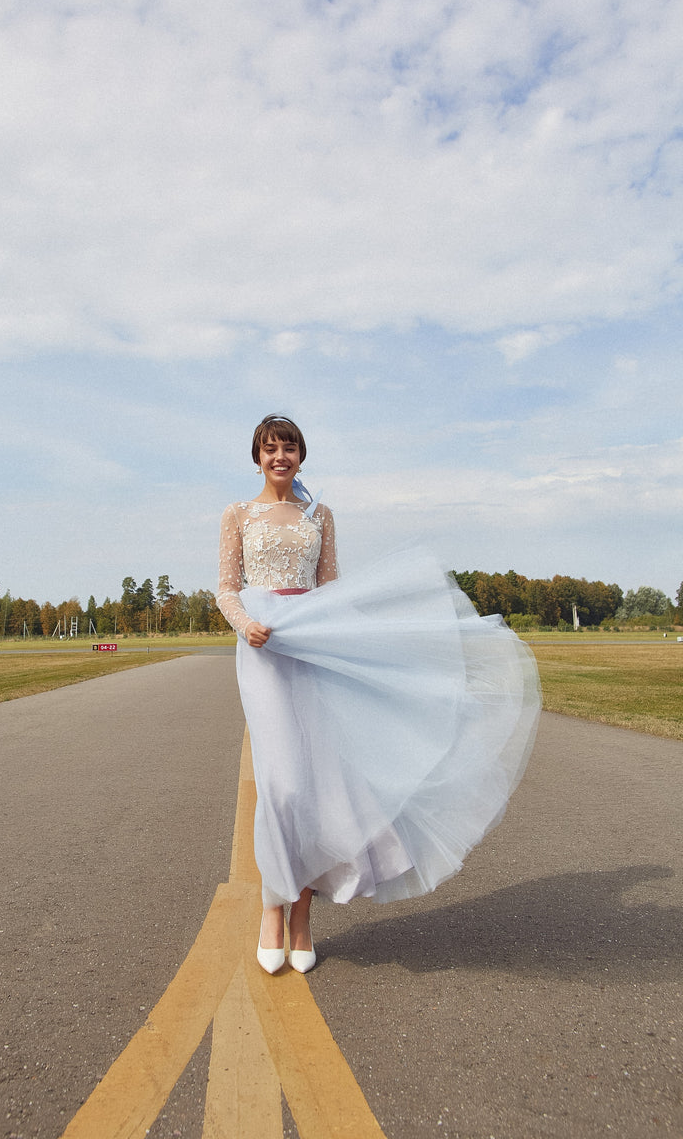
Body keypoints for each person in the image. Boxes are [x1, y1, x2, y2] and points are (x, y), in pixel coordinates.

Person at [217, 414, 541, 975]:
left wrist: (355, 635)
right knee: (283, 785)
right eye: (270, 449)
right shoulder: (237, 515)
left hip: (313, 639)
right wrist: (245, 623)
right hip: (263, 646)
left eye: (289, 448)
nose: (280, 458)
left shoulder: (321, 515)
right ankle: (272, 908)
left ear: (301, 456)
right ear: (257, 456)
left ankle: (302, 920)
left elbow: (331, 583)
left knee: (320, 781)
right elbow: (225, 586)